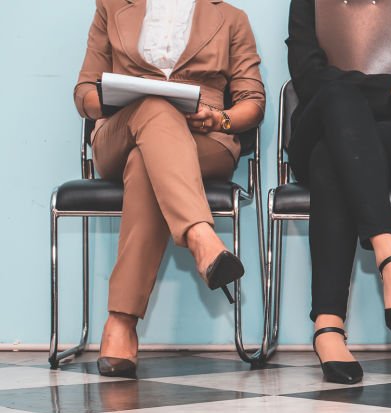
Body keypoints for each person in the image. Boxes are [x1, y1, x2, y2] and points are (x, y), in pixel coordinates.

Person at [74, 0, 266, 378]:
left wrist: (221, 117)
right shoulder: (111, 7)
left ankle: (121, 322)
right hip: (122, 128)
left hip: (203, 136)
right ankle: (200, 235)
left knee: (146, 163)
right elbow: (84, 92)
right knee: (155, 107)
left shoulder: (231, 18)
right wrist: (120, 97)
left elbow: (253, 103)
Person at [287, 0, 391, 384]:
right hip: (319, 126)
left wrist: (362, 88)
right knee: (337, 98)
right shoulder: (309, 3)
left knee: (334, 155)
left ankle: (328, 326)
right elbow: (310, 82)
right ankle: (389, 253)